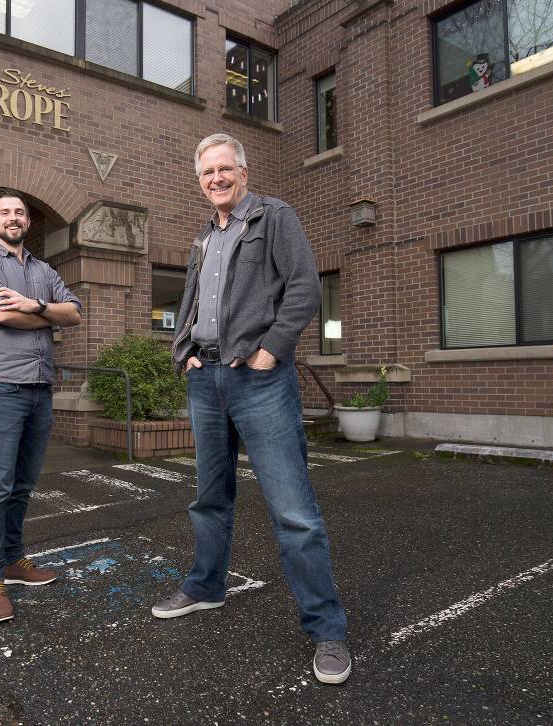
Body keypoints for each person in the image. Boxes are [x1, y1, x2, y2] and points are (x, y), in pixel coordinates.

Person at [152, 134, 351, 684]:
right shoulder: (202, 237)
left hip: (258, 380)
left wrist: (270, 351)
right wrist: (183, 352)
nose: (215, 179)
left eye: (224, 169)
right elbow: (192, 305)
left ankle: (328, 630)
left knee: (293, 511)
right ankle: (205, 586)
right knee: (209, 497)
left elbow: (305, 288)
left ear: (243, 170)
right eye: (206, 172)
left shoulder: (274, 218)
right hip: (205, 380)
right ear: (199, 181)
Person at [0, 188, 83, 623]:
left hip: (39, 388)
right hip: (2, 387)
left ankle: (13, 560)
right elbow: (2, 316)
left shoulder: (44, 270)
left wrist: (35, 305)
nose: (13, 218)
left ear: (27, 222)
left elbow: (75, 313)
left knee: (23, 482)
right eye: (5, 212)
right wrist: (49, 313)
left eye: (20, 212)